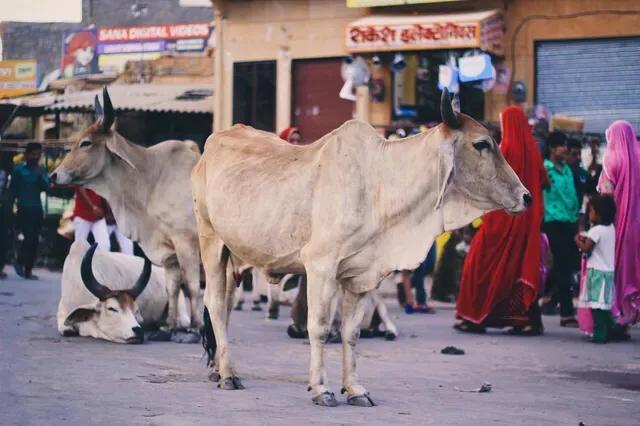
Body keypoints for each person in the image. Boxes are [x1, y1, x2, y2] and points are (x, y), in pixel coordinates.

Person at [455, 106, 548, 335]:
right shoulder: (533, 153)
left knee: (478, 264)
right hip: (526, 224)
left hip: (502, 222)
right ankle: (523, 319)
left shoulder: (505, 150)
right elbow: (544, 183)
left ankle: (476, 316)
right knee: (518, 269)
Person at [597, 120, 640, 332]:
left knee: (611, 269)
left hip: (615, 225)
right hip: (636, 226)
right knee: (631, 269)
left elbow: (605, 195)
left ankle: (613, 318)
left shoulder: (611, 159)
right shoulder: (638, 158)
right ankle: (626, 316)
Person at [541, 131, 580, 326]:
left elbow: (572, 196)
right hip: (552, 223)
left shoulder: (566, 169)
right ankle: (566, 314)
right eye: (561, 145)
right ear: (551, 148)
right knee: (563, 267)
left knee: (565, 267)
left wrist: (576, 222)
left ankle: (550, 301)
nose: (565, 148)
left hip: (568, 223)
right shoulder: (545, 169)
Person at [575, 195, 617, 343]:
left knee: (595, 306)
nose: (589, 214)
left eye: (591, 211)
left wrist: (578, 241)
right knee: (604, 305)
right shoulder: (611, 228)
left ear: (599, 214)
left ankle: (600, 335)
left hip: (596, 272)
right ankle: (613, 328)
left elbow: (586, 249)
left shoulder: (596, 230)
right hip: (609, 272)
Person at [8, 143, 49, 280]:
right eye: (33, 154)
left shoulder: (41, 170)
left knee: (34, 240)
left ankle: (28, 270)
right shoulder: (18, 170)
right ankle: (19, 261)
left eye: (38, 154)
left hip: (37, 208)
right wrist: (10, 208)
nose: (35, 157)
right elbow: (12, 191)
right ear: (26, 155)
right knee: (29, 237)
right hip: (23, 208)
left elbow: (47, 188)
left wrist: (40, 177)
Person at [73, 187, 110, 251]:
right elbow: (81, 188)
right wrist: (93, 206)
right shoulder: (83, 177)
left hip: (99, 216)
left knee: (104, 245)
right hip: (83, 215)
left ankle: (100, 260)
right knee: (79, 247)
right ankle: (77, 261)